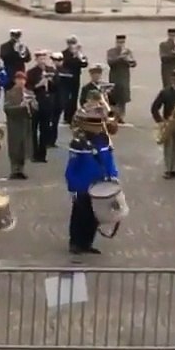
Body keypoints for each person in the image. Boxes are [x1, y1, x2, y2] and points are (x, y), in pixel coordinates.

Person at [65, 107, 119, 255]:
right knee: (79, 215)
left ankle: (87, 243)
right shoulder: (78, 143)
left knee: (95, 216)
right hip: (82, 186)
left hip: (100, 184)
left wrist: (113, 175)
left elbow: (108, 160)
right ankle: (75, 242)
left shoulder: (104, 139)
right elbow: (72, 166)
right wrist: (73, 186)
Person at [2, 74, 37, 179]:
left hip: (25, 123)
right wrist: (20, 107)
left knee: (23, 146)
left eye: (23, 80)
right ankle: (14, 169)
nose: (21, 82)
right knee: (14, 147)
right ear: (15, 81)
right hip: (14, 123)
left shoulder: (29, 93)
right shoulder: (10, 93)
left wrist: (31, 104)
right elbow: (7, 108)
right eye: (19, 79)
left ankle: (21, 169)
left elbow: (36, 108)